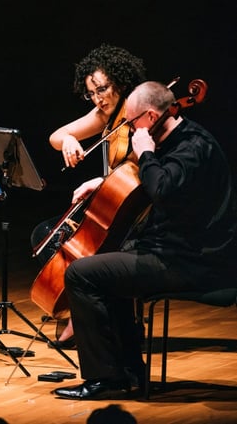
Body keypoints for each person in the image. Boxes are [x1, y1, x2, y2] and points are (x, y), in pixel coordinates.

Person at [52, 81, 237, 400]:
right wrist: (103, 182)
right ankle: (127, 371)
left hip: (194, 262)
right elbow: (146, 180)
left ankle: (105, 378)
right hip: (175, 251)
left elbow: (161, 190)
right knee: (110, 263)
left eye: (131, 121)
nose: (128, 126)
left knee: (81, 274)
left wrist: (146, 152)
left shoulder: (191, 149)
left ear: (151, 117)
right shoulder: (176, 138)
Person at [30, 44, 147, 348]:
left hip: (140, 216)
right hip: (113, 210)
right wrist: (69, 139)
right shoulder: (106, 114)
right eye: (91, 93)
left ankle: (88, 318)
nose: (97, 98)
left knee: (80, 252)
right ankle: (84, 315)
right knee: (46, 234)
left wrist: (101, 180)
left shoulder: (139, 113)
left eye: (102, 89)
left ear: (120, 82)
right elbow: (55, 137)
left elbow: (141, 170)